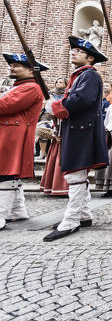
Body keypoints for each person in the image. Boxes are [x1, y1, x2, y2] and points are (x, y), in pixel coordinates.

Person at [42, 36, 109, 241]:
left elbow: (81, 100)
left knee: (76, 176)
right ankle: (83, 214)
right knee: (77, 175)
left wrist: (55, 106)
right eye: (73, 51)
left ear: (90, 58)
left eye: (78, 51)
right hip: (78, 130)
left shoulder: (89, 75)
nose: (73, 52)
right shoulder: (81, 75)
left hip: (83, 130)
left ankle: (71, 220)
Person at [0, 53, 46, 229]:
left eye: (16, 65)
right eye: (11, 65)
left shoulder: (31, 87)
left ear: (30, 70)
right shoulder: (20, 86)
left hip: (13, 135)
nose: (11, 67)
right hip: (9, 133)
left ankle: (1, 214)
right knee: (8, 174)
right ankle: (17, 211)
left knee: (5, 174)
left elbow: (6, 105)